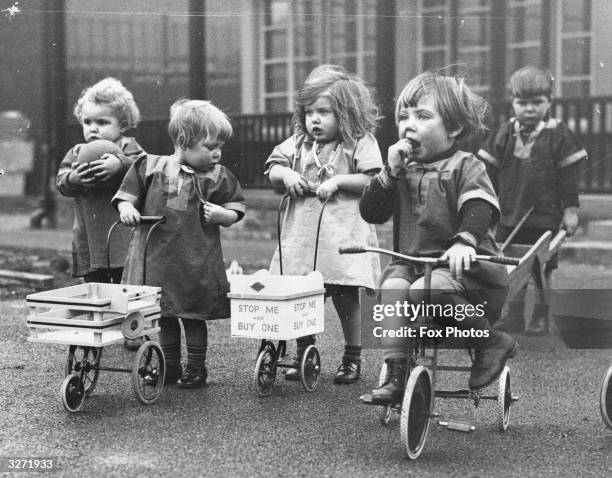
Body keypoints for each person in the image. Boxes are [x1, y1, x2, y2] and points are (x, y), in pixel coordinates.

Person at [360, 71, 517, 401]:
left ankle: (490, 341)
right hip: (414, 263)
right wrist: (388, 174)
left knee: (426, 288)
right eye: (404, 117)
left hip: (467, 271)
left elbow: (479, 206)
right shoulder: (401, 169)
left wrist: (464, 240)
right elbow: (372, 213)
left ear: (454, 128)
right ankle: (397, 372)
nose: (408, 125)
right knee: (392, 288)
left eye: (423, 116)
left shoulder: (466, 164)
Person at [112, 99, 246, 388]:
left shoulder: (218, 175)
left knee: (193, 314)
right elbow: (127, 195)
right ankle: (169, 365)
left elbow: (236, 206)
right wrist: (126, 208)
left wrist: (225, 215)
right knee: (165, 314)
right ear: (184, 141)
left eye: (220, 146)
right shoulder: (150, 166)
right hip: (157, 259)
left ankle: (197, 367)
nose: (217, 152)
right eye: (210, 146)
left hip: (196, 259)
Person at [265, 65, 383, 384]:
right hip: (303, 238)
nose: (314, 119)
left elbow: (373, 178)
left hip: (341, 238)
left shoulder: (358, 142)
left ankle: (352, 357)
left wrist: (341, 180)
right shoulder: (300, 143)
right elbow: (274, 168)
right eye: (309, 112)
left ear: (345, 113)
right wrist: (287, 174)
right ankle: (305, 353)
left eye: (324, 112)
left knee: (345, 295)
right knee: (303, 297)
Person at [478, 66, 587, 335]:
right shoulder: (506, 132)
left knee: (541, 268)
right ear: (513, 103)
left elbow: (569, 177)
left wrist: (570, 210)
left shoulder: (557, 133)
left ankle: (540, 314)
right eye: (522, 103)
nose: (529, 109)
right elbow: (487, 173)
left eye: (537, 102)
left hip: (544, 215)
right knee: (509, 265)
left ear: (548, 102)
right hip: (509, 213)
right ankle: (513, 315)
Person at [56, 77, 145, 350]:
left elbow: (144, 170)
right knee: (94, 284)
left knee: (126, 282)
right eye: (88, 122)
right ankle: (98, 327)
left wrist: (119, 164)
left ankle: (132, 329)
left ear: (123, 124)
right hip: (88, 234)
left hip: (120, 232)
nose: (93, 129)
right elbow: (61, 183)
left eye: (103, 122)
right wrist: (73, 178)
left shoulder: (128, 147)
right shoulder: (76, 152)